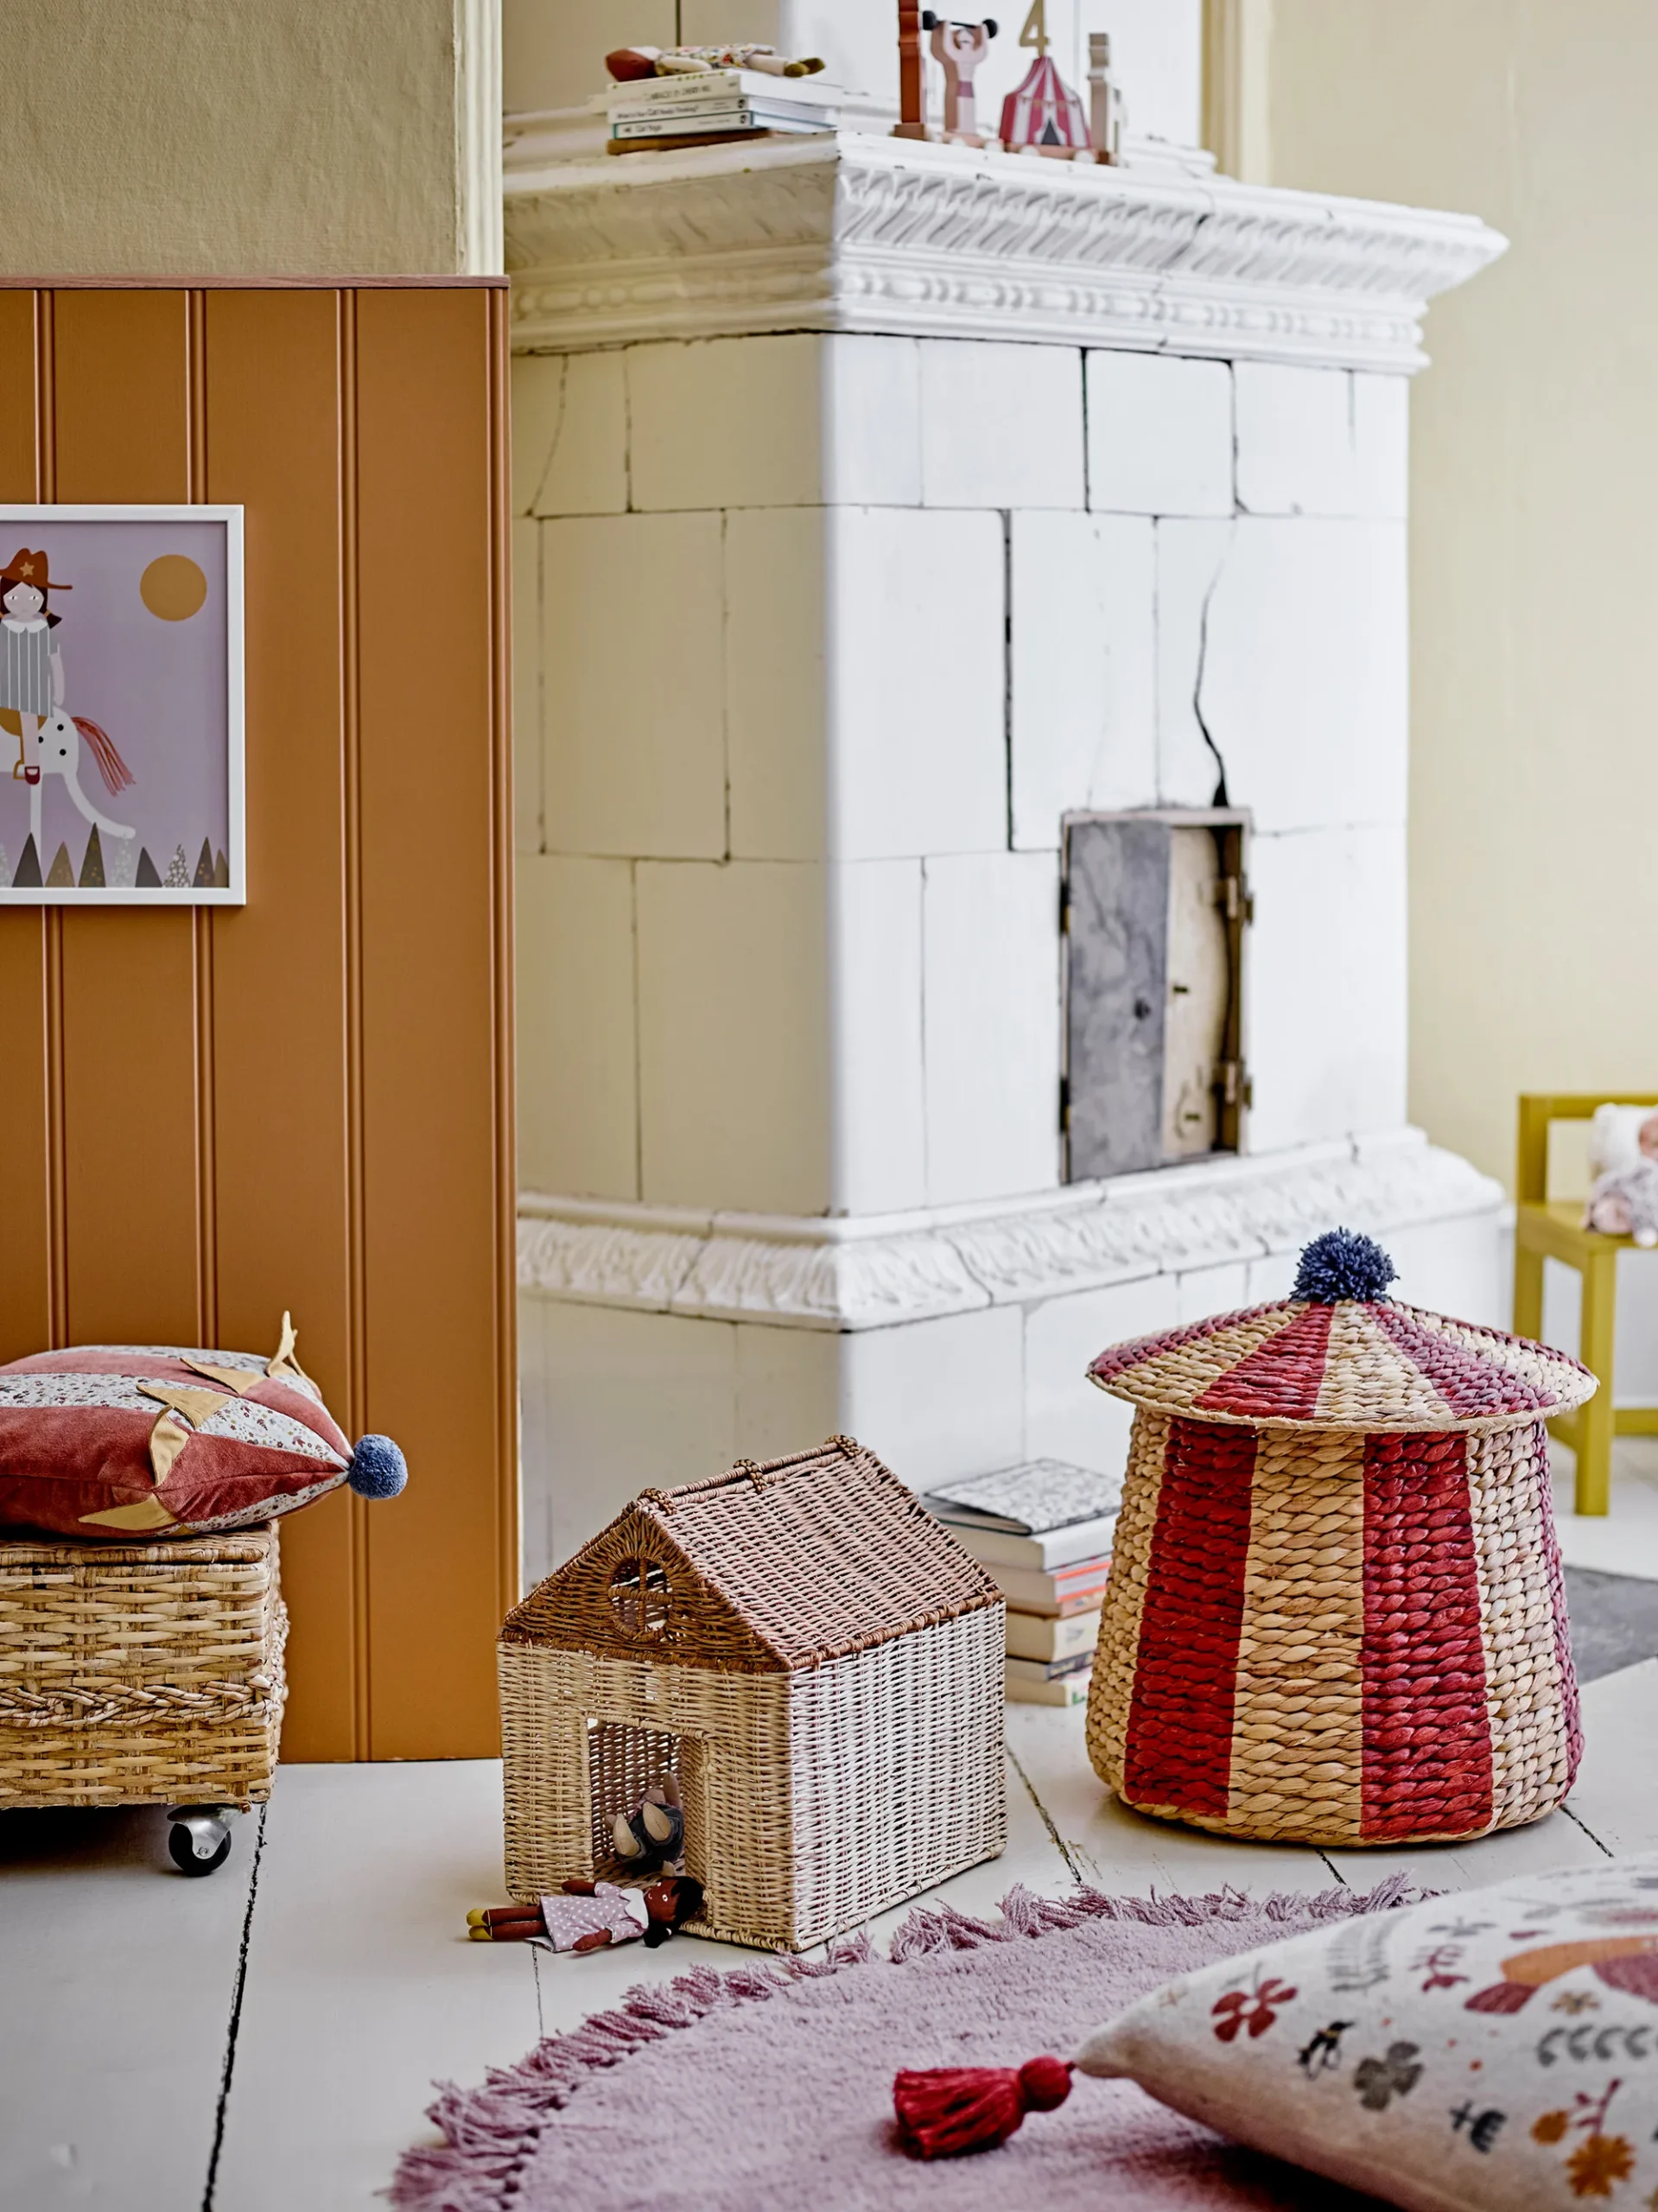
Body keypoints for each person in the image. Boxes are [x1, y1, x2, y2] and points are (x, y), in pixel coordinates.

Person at [467, 1872, 705, 1953]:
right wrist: (581, 1887)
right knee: (534, 1911)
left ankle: (489, 1933)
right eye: (660, 1886)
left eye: (664, 1897)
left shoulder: (636, 1924)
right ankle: (485, 1916)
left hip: (577, 1927)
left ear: (671, 1917)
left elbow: (613, 1931)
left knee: (538, 1927)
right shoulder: (629, 1894)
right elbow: (602, 1889)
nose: (655, 1892)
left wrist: (594, 1939)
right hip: (571, 1907)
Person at [0, 549, 68, 788]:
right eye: (14, 598)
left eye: (32, 599)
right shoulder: (5, 628)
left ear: (42, 599)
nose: (22, 605)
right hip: (7, 682)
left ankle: (32, 764)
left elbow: (54, 660)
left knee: (28, 721)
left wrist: (59, 689)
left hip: (33, 686)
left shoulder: (43, 631)